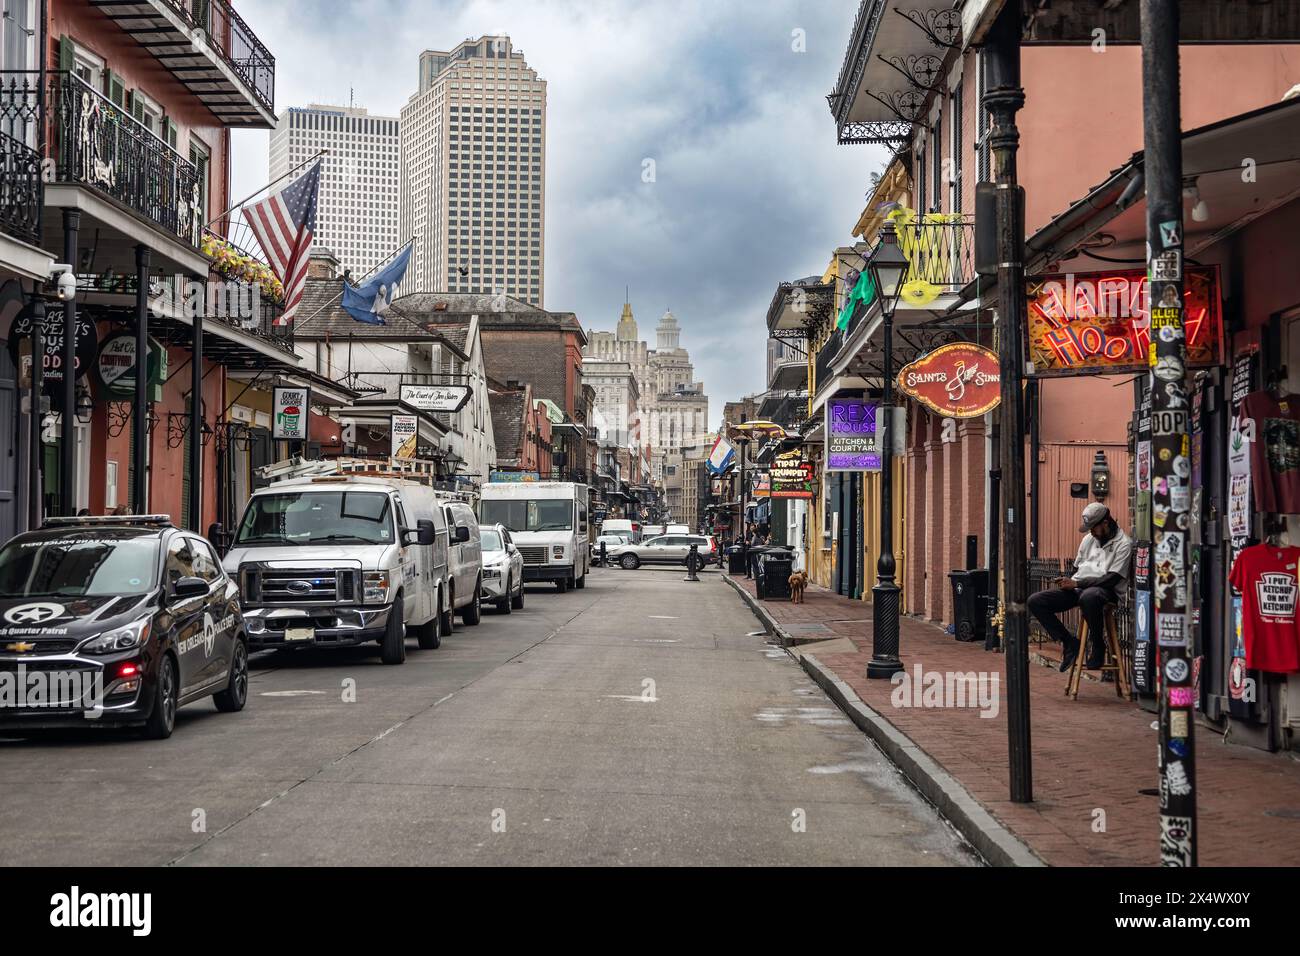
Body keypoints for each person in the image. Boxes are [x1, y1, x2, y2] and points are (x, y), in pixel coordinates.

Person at [1027, 502, 1133, 672]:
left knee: (1089, 596)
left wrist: (1077, 583)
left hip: (1106, 591)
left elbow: (1112, 579)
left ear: (1105, 523)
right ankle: (1069, 642)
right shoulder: (1088, 539)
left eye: (1093, 527)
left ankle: (1098, 645)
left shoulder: (1124, 544)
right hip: (1079, 588)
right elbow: (1077, 568)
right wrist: (1068, 581)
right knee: (1036, 601)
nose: (1091, 532)